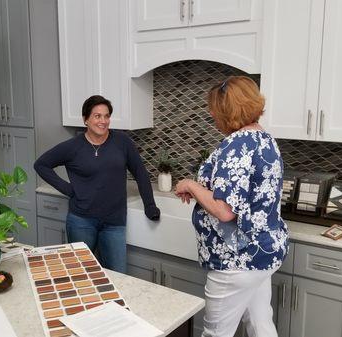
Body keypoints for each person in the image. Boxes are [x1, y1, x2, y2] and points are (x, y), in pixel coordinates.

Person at [175, 76, 288, 337]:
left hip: (236, 258)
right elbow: (242, 195)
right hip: (263, 251)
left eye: (214, 109)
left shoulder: (235, 145)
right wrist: (203, 191)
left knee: (215, 333)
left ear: (227, 111)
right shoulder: (265, 139)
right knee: (261, 325)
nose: (211, 114)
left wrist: (192, 186)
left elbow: (225, 211)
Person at [34, 95, 160, 273]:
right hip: (81, 221)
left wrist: (150, 206)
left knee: (118, 276)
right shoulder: (72, 146)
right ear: (86, 119)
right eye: (97, 116)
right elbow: (41, 165)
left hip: (114, 222)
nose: (103, 121)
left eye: (106, 116)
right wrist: (69, 190)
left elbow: (140, 173)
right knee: (80, 275)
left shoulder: (122, 142)